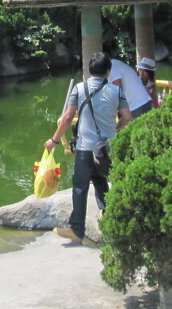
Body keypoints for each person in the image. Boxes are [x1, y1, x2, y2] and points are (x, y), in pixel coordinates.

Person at [45, 52, 132, 244]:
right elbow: (127, 118)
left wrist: (54, 139)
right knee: (100, 177)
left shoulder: (79, 88)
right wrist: (114, 131)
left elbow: (67, 118)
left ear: (90, 71)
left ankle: (77, 230)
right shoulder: (117, 91)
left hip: (85, 148)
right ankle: (110, 216)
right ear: (108, 71)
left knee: (80, 187)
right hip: (108, 148)